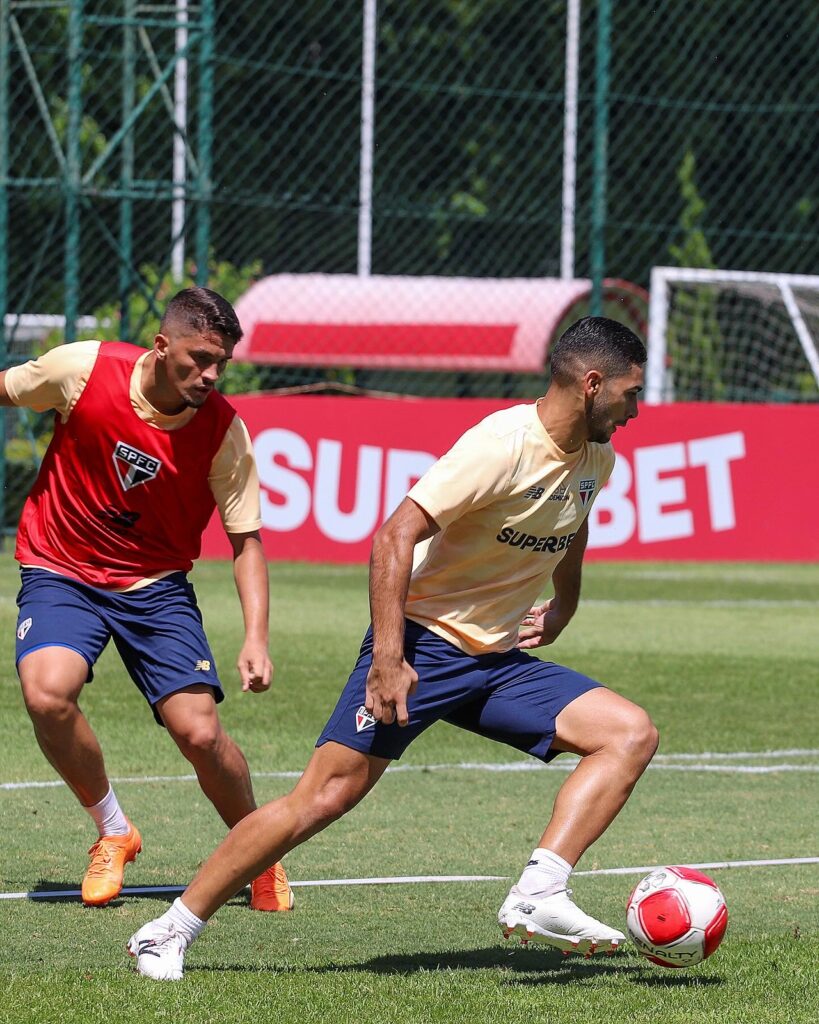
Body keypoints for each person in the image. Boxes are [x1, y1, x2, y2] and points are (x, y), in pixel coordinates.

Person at [128, 315, 658, 979]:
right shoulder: (501, 444)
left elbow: (572, 524)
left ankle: (539, 892)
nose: (636, 409)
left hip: (494, 663)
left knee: (629, 733)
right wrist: (387, 659)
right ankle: (166, 932)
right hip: (421, 648)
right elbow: (392, 536)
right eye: (630, 393)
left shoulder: (594, 459)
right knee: (321, 800)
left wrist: (564, 606)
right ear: (590, 383)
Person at [0, 287, 292, 912]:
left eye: (222, 364)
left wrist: (256, 638)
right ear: (162, 347)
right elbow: (6, 387)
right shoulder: (82, 369)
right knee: (47, 693)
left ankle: (259, 852)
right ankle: (113, 831)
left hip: (155, 586)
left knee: (200, 734)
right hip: (61, 568)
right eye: (199, 358)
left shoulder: (223, 431)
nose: (210, 375)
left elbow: (247, 542)